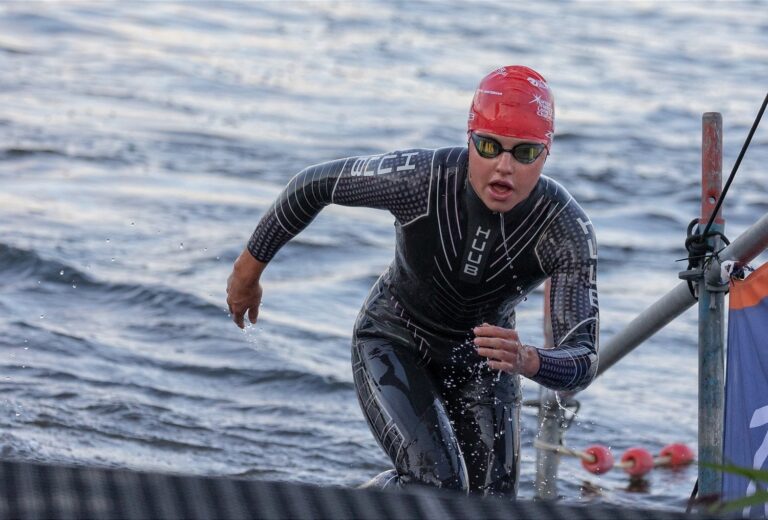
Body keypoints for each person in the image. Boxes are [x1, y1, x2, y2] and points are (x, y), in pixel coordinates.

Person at [226, 65, 598, 497]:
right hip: (393, 339)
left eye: (524, 153)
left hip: (484, 362)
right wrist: (247, 272)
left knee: (492, 505)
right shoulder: (421, 180)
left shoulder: (563, 228)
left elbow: (583, 361)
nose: (503, 166)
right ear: (470, 138)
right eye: (489, 146)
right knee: (436, 484)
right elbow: (314, 184)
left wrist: (530, 360)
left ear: (546, 153)